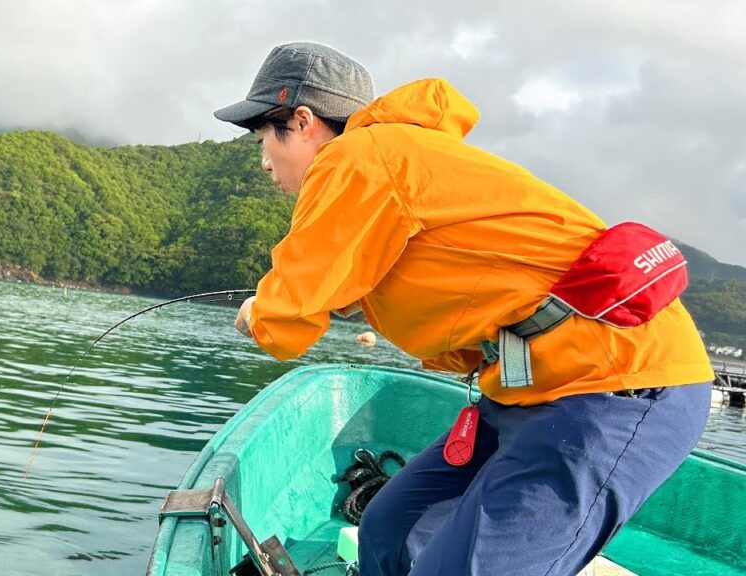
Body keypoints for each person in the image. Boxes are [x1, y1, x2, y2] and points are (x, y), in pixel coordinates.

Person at [215, 41, 714, 575]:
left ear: (303, 121)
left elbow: (286, 318)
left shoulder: (356, 157)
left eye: (264, 139)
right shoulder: (401, 158)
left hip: (612, 386)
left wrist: (255, 314)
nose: (265, 162)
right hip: (534, 388)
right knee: (389, 529)